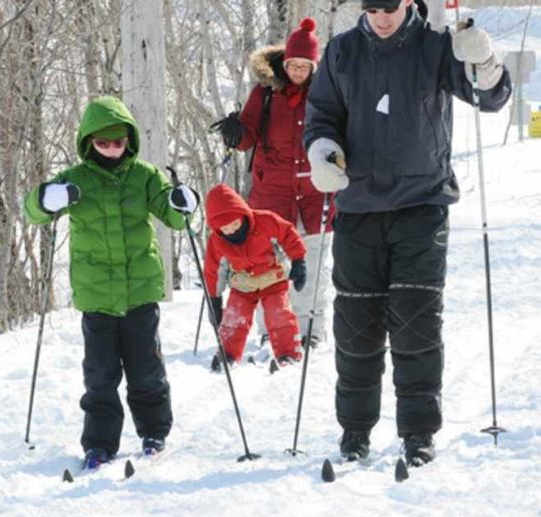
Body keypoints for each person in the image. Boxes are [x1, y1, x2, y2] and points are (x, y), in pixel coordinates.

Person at [303, 0, 511, 467]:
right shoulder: (342, 52)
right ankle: (355, 431)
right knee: (356, 328)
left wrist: (483, 60)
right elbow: (321, 117)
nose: (382, 17)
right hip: (358, 207)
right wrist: (322, 151)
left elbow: (491, 99)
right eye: (372, 8)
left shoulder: (435, 47)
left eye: (390, 7)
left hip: (421, 204)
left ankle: (418, 433)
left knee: (416, 324)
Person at [22, 96, 198, 469]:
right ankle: (99, 443)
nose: (112, 149)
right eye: (103, 143)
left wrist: (184, 203)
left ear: (129, 140)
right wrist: (47, 199)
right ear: (89, 142)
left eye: (119, 142)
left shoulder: (145, 176)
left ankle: (154, 432)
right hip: (97, 296)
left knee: (146, 371)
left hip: (139, 293)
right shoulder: (74, 180)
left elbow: (173, 216)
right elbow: (33, 213)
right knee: (100, 376)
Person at [211, 17, 333, 352]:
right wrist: (236, 133)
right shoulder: (265, 94)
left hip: (314, 194)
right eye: (292, 65)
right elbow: (247, 136)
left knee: (312, 266)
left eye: (304, 66)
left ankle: (309, 330)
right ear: (284, 63)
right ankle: (272, 331)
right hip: (271, 197)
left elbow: (338, 130)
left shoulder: (326, 93)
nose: (297, 71)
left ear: (314, 66)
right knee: (269, 267)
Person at [202, 184, 308, 370]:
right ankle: (228, 355)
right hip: (242, 284)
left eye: (235, 224)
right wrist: (214, 299)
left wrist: (299, 261)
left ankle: (288, 354)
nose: (232, 231)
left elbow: (288, 234)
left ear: (243, 214)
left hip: (273, 279)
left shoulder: (264, 220)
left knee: (279, 315)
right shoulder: (216, 241)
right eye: (225, 229)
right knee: (234, 317)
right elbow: (212, 270)